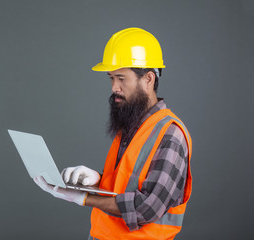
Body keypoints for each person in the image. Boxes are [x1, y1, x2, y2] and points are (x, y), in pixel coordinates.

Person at [34, 27, 192, 240]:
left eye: (121, 78)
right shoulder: (132, 125)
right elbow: (128, 184)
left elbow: (147, 207)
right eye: (111, 78)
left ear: (148, 79)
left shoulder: (170, 134)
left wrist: (85, 198)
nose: (114, 87)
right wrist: (97, 181)